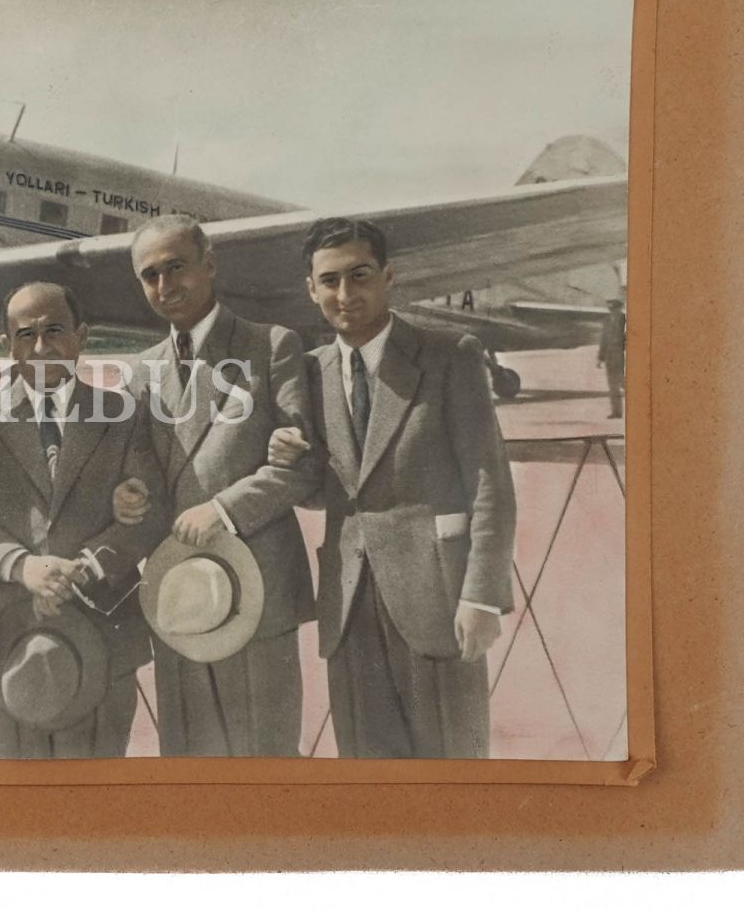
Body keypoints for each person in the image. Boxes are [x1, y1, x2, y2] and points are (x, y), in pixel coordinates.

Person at [269, 217, 516, 758]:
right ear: (311, 290)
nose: (345, 293)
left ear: (388, 277)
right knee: (366, 774)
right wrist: (287, 457)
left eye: (359, 275)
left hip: (439, 602)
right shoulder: (308, 372)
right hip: (349, 606)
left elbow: (489, 483)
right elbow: (328, 491)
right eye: (329, 281)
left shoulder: (450, 355)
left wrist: (482, 597)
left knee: (453, 770)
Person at [0, 281, 169, 758]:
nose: (41, 347)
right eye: (25, 335)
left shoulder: (123, 413)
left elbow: (150, 514)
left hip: (104, 624)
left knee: (98, 780)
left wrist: (86, 567)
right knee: (18, 782)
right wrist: (22, 566)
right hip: (6, 628)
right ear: (7, 345)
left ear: (81, 336)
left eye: (54, 331)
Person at [127, 215, 317, 757]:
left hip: (257, 587)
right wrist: (128, 495)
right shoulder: (141, 370)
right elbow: (140, 473)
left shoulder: (271, 345)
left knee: (265, 757)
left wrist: (223, 510)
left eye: (177, 268)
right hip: (178, 590)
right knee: (187, 754)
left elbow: (300, 466)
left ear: (209, 265)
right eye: (150, 275)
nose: (165, 286)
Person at [598, 298, 626, 419]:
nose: (612, 311)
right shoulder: (607, 320)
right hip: (610, 357)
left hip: (621, 355)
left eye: (614, 309)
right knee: (612, 385)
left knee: (625, 383)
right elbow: (603, 340)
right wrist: (600, 358)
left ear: (620, 308)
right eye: (610, 309)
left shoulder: (626, 320)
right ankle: (616, 412)